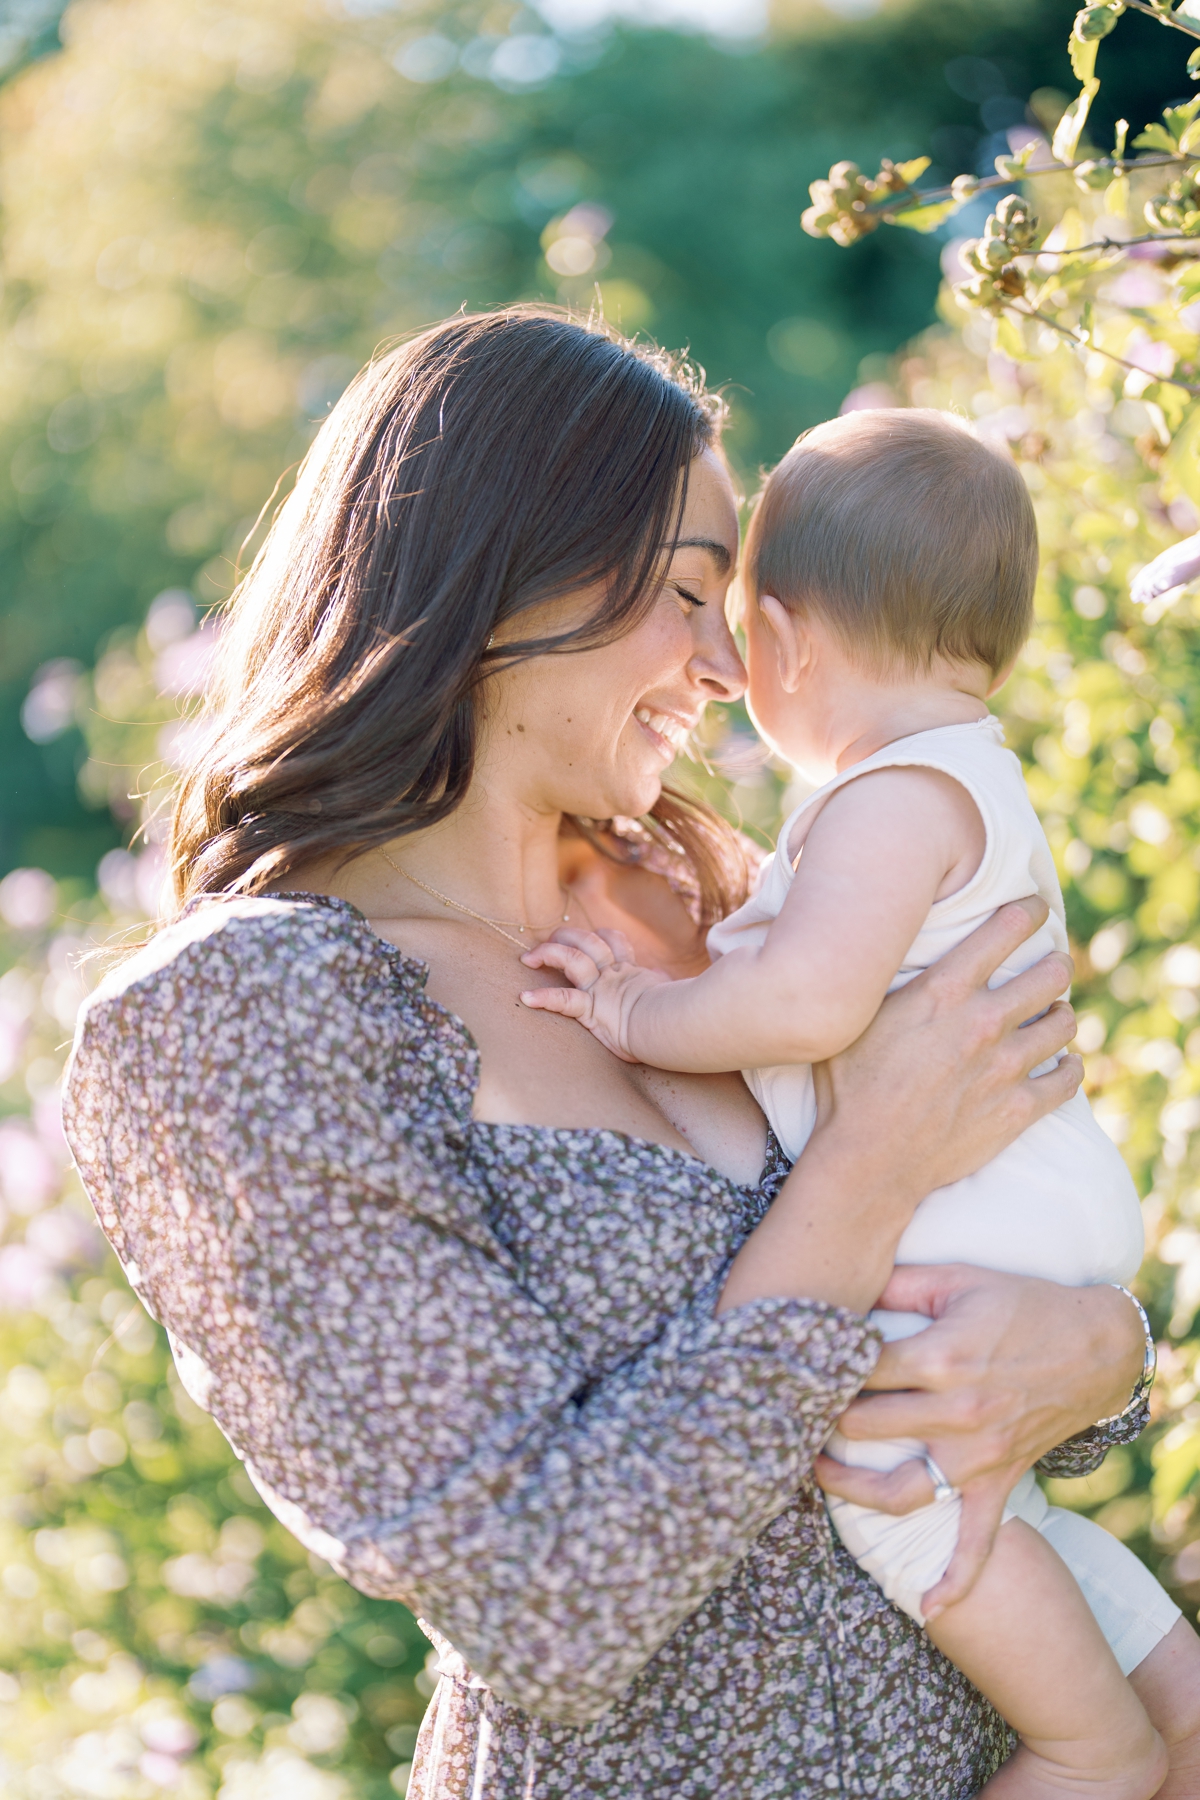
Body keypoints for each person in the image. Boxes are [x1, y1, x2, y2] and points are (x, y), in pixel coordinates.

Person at [62, 311, 1172, 1800]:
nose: (729, 666)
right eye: (692, 595)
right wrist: (862, 1169)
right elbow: (545, 1601)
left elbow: (1007, 1314)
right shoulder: (253, 1018)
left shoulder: (725, 904)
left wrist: (1103, 1356)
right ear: (505, 572)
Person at [520, 408, 1200, 1797]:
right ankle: (1161, 1697)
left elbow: (814, 1007)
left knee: (898, 1501)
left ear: (786, 634)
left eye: (730, 619)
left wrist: (639, 1011)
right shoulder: (965, 781)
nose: (721, 665)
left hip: (973, 1226)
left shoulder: (888, 799)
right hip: (1011, 1222)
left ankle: (1088, 1744)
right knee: (990, 1501)